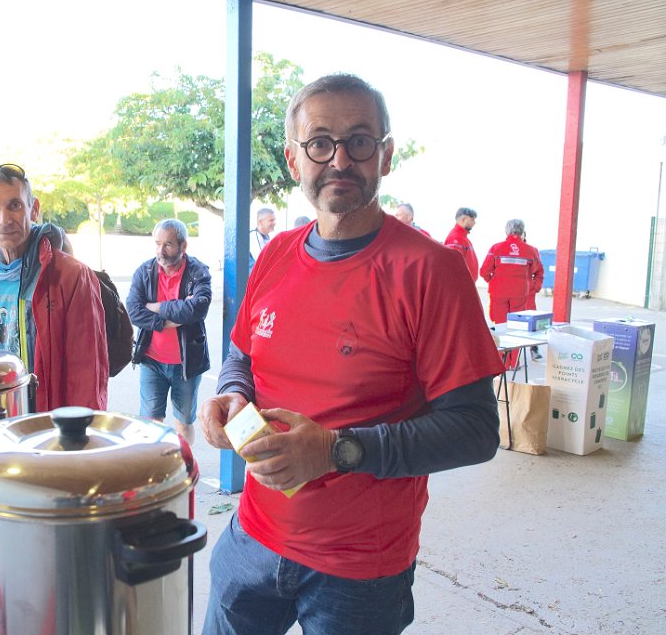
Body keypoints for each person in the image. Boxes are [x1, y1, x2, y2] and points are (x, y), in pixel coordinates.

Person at [199, 73, 504, 635]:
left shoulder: (432, 271)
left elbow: (476, 430)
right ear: (294, 159)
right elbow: (241, 354)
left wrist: (335, 451)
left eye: (359, 141)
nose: (339, 159)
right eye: (319, 143)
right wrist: (231, 394)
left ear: (385, 155)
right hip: (253, 538)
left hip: (361, 570)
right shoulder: (276, 255)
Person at [0, 164, 108, 411]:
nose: (4, 220)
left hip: (45, 423)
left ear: (34, 209)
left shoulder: (72, 276)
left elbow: (87, 375)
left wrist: (77, 431)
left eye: (15, 205)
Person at [127, 219, 212, 445]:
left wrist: (156, 307)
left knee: (183, 423)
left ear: (183, 246)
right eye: (157, 243)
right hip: (151, 361)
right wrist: (169, 320)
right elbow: (133, 312)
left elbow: (197, 309)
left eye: (168, 244)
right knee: (151, 423)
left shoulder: (198, 272)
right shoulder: (144, 271)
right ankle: (155, 464)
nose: (161, 250)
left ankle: (183, 463)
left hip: (187, 364)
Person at [480, 219, 545, 326]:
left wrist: (493, 281)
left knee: (500, 323)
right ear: (522, 232)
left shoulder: (496, 248)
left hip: (498, 291)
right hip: (520, 292)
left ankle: (502, 335)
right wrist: (534, 286)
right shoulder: (531, 250)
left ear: (506, 231)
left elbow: (484, 271)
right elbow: (538, 271)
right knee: (518, 323)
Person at [523, 229, 546, 360]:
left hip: (527, 293)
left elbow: (539, 271)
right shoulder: (501, 248)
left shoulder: (532, 250)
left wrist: (535, 286)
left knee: (531, 321)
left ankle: (534, 348)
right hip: (509, 293)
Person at [444, 206, 479, 281]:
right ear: (463, 219)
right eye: (472, 220)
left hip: (466, 283)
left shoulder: (462, 238)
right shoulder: (456, 238)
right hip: (461, 284)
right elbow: (452, 267)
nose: (474, 223)